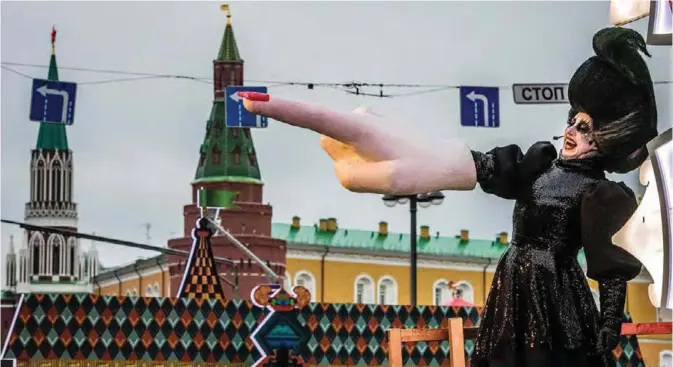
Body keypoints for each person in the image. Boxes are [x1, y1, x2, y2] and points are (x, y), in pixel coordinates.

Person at [239, 27, 658, 367]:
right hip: (513, 287)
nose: (572, 131)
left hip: (556, 293)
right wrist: (399, 151)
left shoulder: (600, 194)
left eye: (586, 129)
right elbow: (480, 166)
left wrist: (607, 325)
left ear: (609, 139)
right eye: (574, 119)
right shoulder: (538, 163)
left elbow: (610, 269)